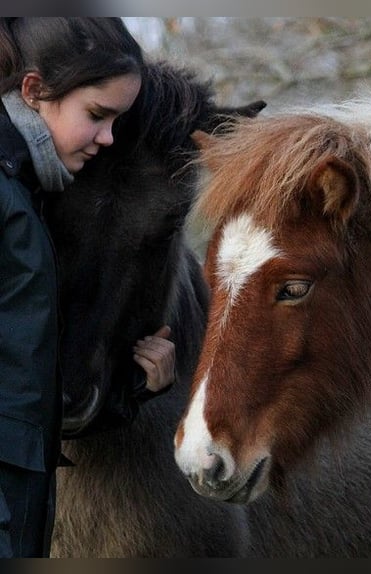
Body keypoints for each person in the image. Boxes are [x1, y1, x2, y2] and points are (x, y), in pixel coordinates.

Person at [0, 17, 176, 558]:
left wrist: (133, 390)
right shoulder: (9, 203)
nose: (107, 139)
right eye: (97, 116)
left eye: (117, 122)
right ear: (34, 91)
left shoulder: (26, 198)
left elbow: (24, 390)